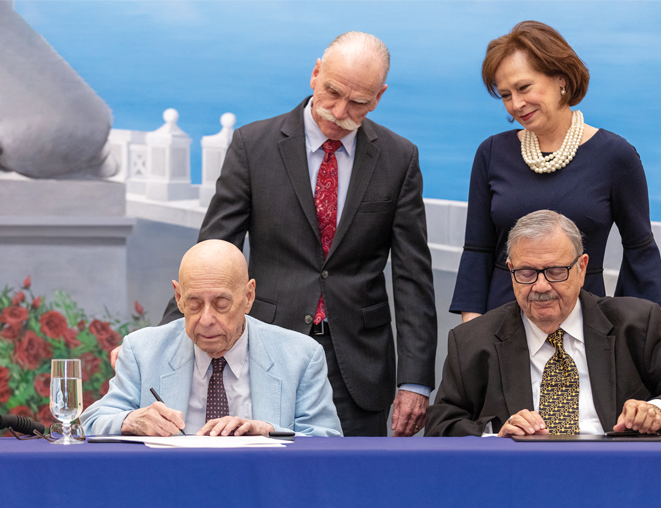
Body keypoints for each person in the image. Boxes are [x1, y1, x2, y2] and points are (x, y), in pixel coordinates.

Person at [130, 32, 436, 437]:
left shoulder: (399, 158)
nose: (339, 111)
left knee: (349, 489)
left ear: (379, 96)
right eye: (332, 91)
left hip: (358, 366)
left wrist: (414, 381)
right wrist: (158, 343)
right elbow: (211, 252)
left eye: (358, 102)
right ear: (315, 74)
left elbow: (413, 276)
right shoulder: (253, 146)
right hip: (264, 355)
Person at [451, 21, 661, 323]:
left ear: (561, 80)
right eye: (505, 94)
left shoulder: (616, 156)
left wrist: (646, 339)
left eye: (524, 87)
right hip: (502, 327)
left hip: (586, 326)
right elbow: (477, 251)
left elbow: (640, 253)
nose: (516, 104)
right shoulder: (491, 153)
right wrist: (471, 339)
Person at [425, 210, 661, 437]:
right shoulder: (473, 341)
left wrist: (657, 412)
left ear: (582, 267)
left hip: (619, 479)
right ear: (510, 270)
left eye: (555, 271)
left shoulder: (634, 324)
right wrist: (495, 435)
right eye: (526, 272)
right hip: (521, 483)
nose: (540, 286)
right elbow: (440, 425)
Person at [81, 240, 342, 437]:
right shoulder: (142, 351)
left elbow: (328, 440)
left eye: (221, 304)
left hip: (263, 495)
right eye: (194, 304)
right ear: (179, 297)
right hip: (172, 493)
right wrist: (131, 421)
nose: (206, 319)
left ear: (249, 296)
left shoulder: (301, 355)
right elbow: (90, 423)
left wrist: (267, 433)